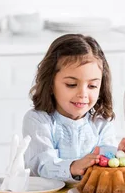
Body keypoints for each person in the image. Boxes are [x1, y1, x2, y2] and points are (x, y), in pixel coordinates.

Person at [22, 34, 117, 181]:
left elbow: (108, 164)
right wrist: (73, 167)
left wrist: (122, 154)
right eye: (71, 85)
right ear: (50, 83)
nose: (83, 94)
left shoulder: (101, 123)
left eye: (92, 86)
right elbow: (41, 165)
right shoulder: (38, 120)